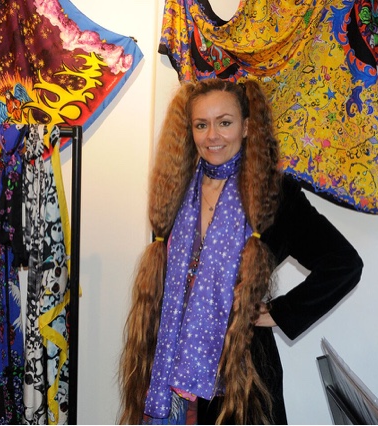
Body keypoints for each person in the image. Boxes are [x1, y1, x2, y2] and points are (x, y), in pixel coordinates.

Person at [118, 78, 363, 425]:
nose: (212, 136)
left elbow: (344, 264)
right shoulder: (176, 188)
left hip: (241, 382)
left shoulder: (273, 194)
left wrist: (281, 312)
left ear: (246, 127)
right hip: (170, 371)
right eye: (201, 125)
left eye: (224, 122)